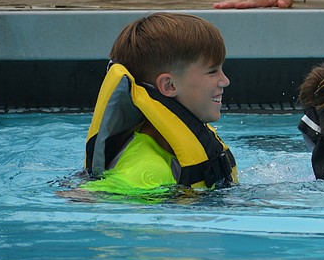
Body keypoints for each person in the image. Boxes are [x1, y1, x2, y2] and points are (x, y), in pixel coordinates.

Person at [82, 13, 237, 196]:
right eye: (212, 72)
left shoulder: (180, 144)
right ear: (169, 85)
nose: (225, 81)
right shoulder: (147, 173)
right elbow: (87, 198)